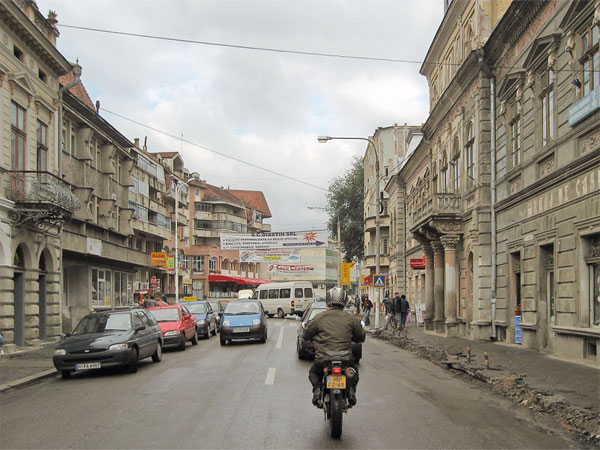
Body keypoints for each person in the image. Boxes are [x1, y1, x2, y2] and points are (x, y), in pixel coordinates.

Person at [305, 287, 366, 407]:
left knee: (314, 372)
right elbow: (361, 337)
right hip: (345, 359)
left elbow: (306, 334)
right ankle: (351, 392)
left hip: (323, 358)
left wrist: (312, 337)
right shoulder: (351, 318)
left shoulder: (319, 317)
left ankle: (317, 390)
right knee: (354, 372)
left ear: (328, 301)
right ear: (344, 301)